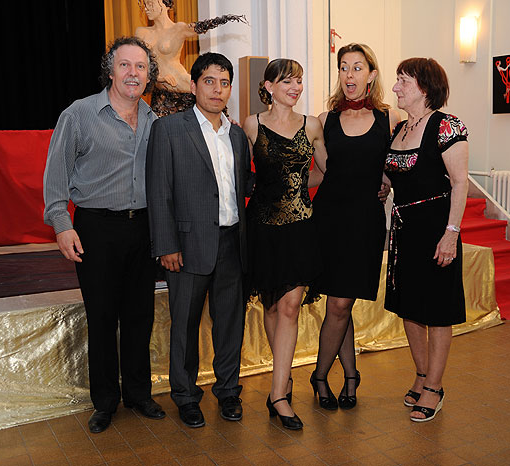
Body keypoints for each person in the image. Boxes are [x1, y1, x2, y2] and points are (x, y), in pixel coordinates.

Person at [43, 36, 166, 434]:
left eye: (141, 67)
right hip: (96, 227)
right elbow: (55, 174)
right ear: (110, 70)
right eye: (125, 65)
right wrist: (62, 225)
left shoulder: (154, 120)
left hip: (143, 228)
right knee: (102, 317)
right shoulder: (79, 114)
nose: (133, 73)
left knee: (139, 316)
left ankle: (139, 394)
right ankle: (105, 402)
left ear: (149, 75)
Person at [145, 52, 253, 428]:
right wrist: (166, 245)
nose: (217, 90)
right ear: (193, 86)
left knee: (230, 323)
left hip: (232, 244)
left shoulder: (236, 135)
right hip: (187, 247)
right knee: (185, 325)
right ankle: (186, 395)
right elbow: (158, 191)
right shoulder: (169, 129)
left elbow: (242, 187)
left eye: (224, 83)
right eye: (209, 81)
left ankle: (228, 391)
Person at [310, 43, 399, 410]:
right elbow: (321, 172)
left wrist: (389, 182)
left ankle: (323, 375)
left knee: (341, 302)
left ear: (371, 74)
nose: (349, 74)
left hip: (364, 222)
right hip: (329, 219)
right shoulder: (325, 119)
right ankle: (344, 376)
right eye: (344, 67)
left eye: (357, 67)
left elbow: (402, 162)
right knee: (339, 302)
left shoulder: (389, 118)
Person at [242, 58, 327, 430]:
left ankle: (278, 395)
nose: (295, 87)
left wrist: (296, 185)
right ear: (269, 86)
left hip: (300, 226)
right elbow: (239, 173)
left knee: (291, 305)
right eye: (288, 81)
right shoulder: (251, 125)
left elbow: (326, 170)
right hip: (262, 226)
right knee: (272, 306)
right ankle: (284, 379)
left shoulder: (312, 125)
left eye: (299, 80)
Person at [384, 57, 469, 422]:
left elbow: (460, 183)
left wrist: (451, 233)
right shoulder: (399, 129)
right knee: (410, 308)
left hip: (436, 229)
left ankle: (434, 387)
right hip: (405, 230)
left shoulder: (447, 125)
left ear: (424, 86)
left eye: (403, 80)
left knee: (436, 310)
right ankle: (421, 374)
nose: (396, 87)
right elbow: (394, 175)